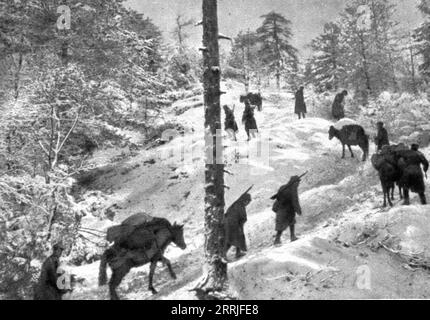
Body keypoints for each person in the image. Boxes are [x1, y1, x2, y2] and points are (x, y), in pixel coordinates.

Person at [271, 175, 305, 245]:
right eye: (297, 183)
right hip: (285, 210)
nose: (298, 184)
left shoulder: (283, 187)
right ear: (294, 183)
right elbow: (295, 200)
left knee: (291, 222)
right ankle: (277, 240)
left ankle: (292, 236)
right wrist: (298, 210)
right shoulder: (292, 189)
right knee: (282, 225)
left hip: (283, 209)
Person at [223, 186, 253, 260]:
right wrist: (242, 222)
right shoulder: (240, 206)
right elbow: (243, 217)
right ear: (245, 200)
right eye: (247, 202)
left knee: (235, 239)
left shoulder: (235, 205)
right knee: (233, 239)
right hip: (233, 225)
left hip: (230, 224)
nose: (247, 204)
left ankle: (237, 252)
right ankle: (224, 255)